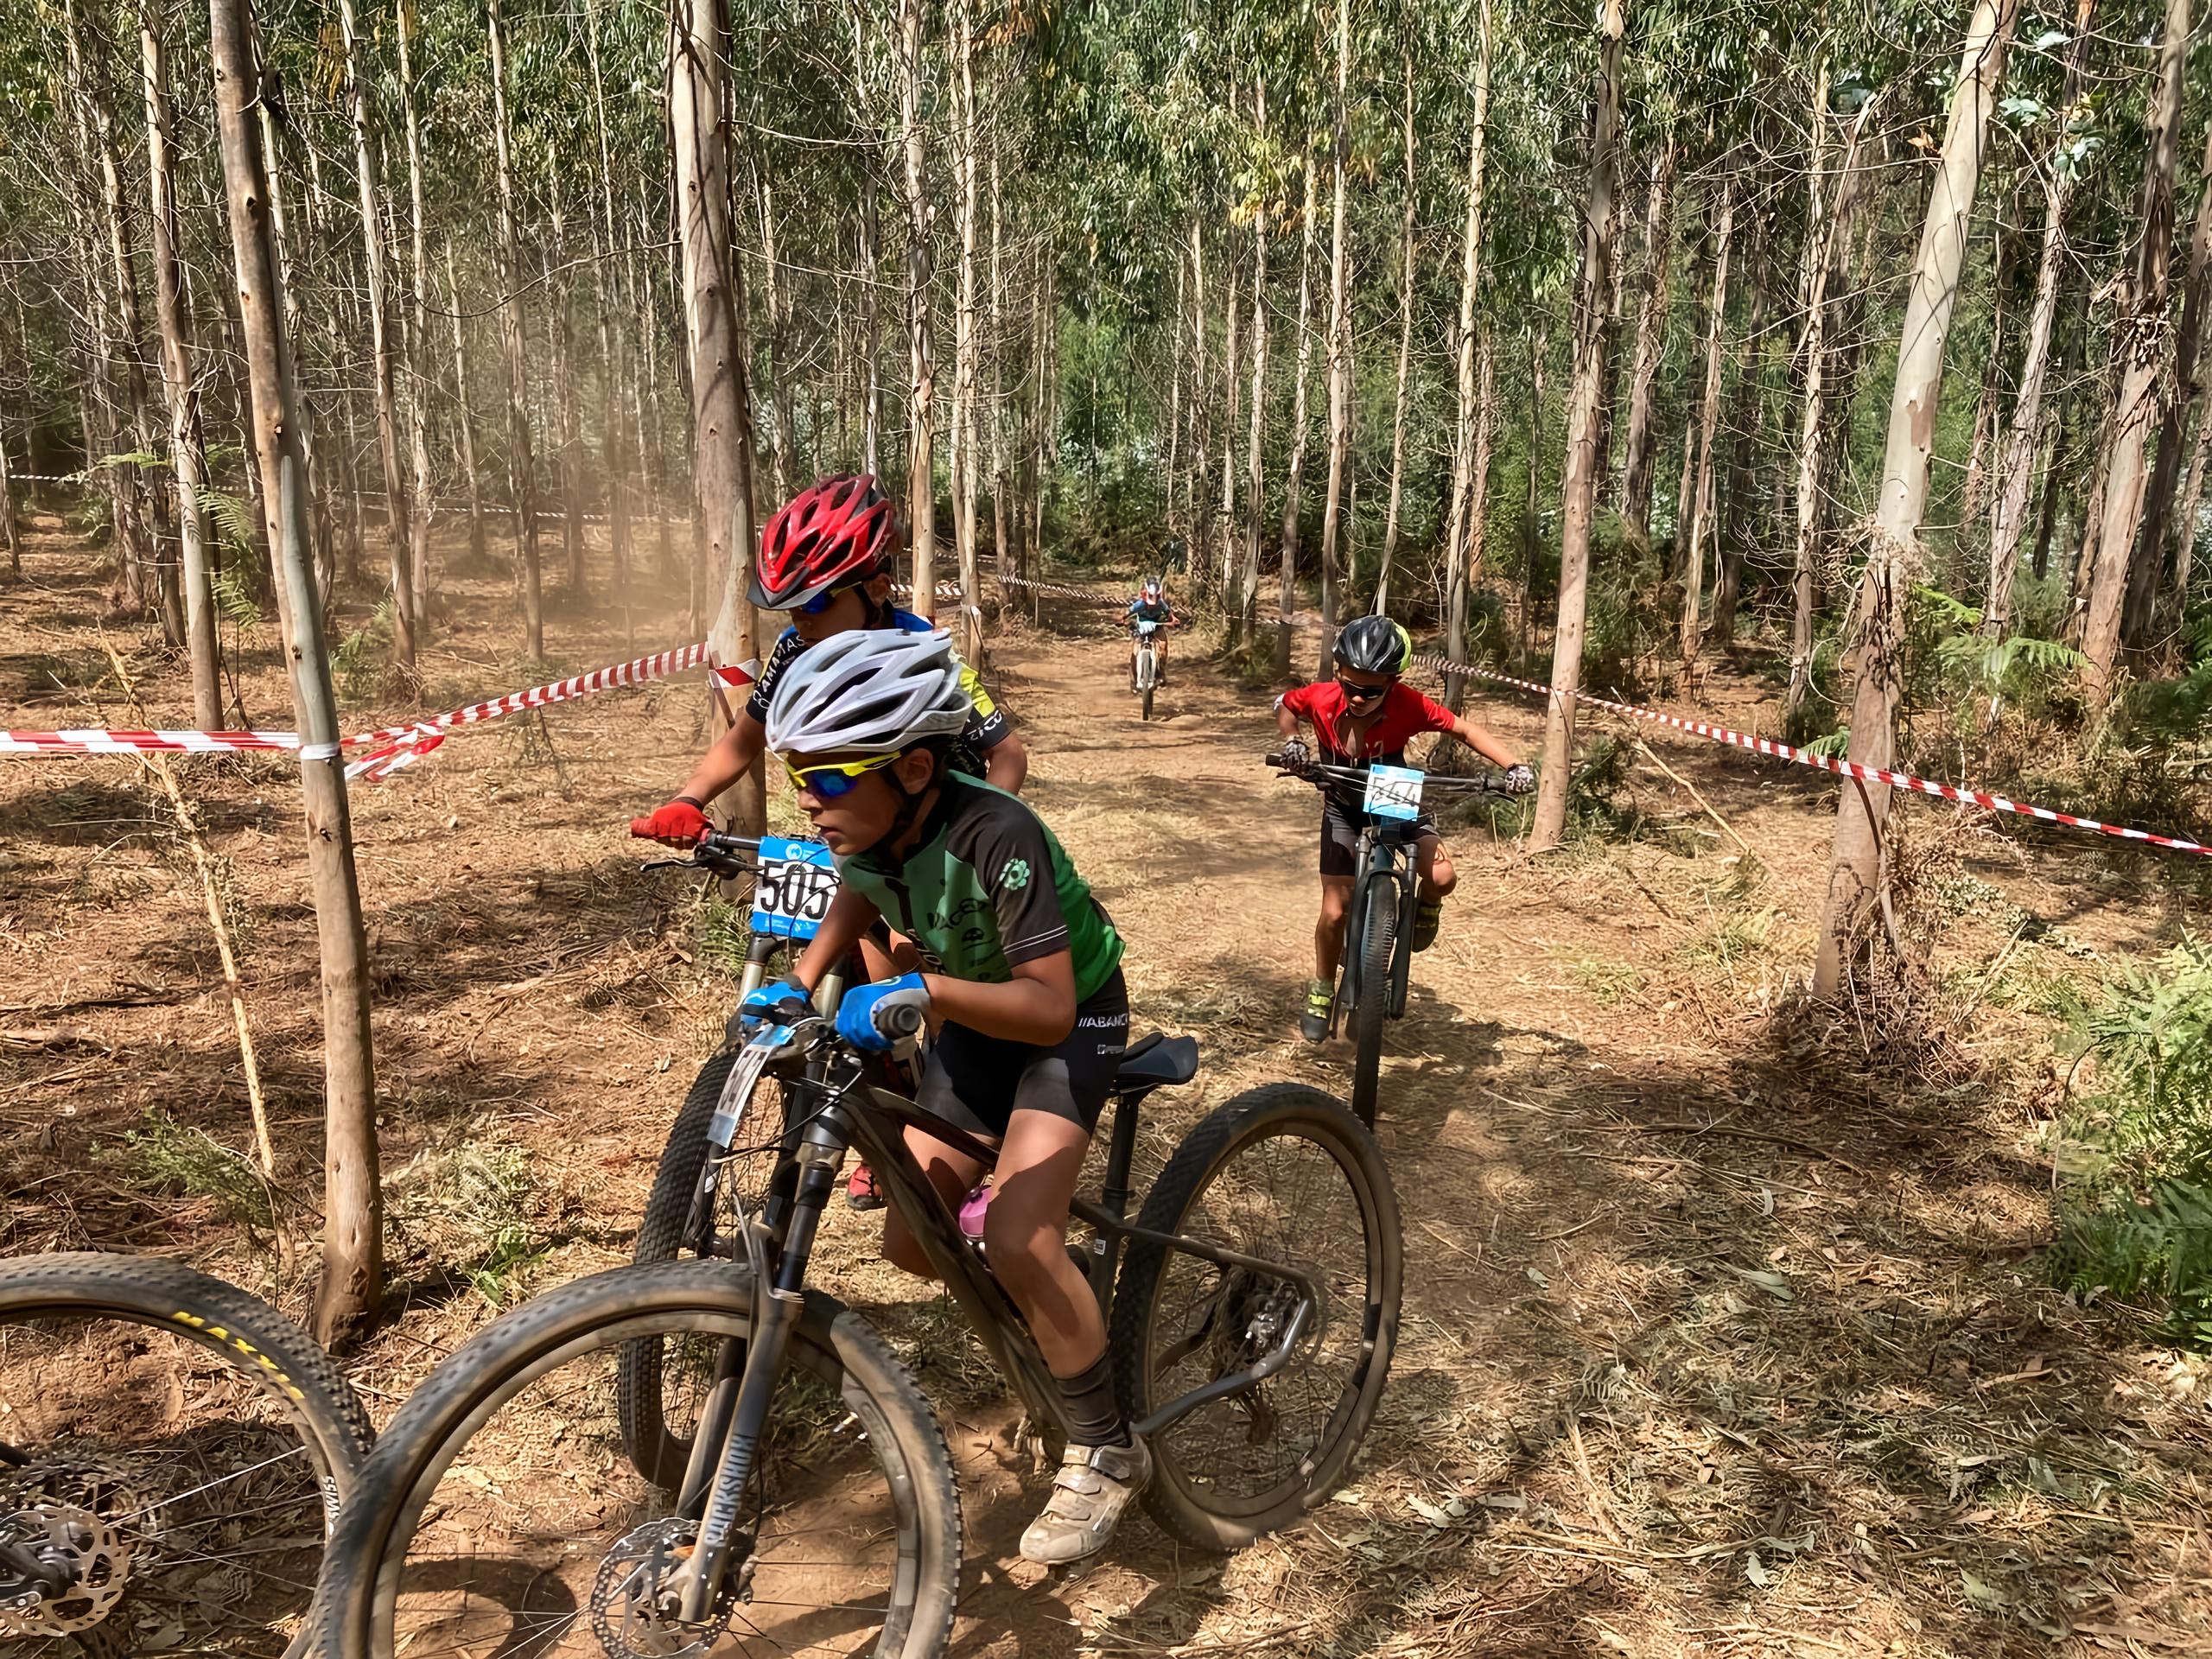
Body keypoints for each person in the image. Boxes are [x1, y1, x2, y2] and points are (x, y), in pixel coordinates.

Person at [740, 626, 1149, 1567]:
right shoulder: (873, 828)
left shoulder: (994, 831)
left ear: (916, 767)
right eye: (801, 774)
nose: (810, 797)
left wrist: (923, 994)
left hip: (1068, 1015)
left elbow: (1046, 1010)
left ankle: (1107, 1450)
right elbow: (858, 890)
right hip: (972, 1016)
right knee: (912, 1237)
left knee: (1011, 1236)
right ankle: (1055, 1285)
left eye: (832, 777)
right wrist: (800, 984)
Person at [632, 473, 1028, 1211]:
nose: (801, 620)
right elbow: (742, 742)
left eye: (818, 602)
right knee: (862, 976)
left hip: (937, 850)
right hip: (853, 840)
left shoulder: (923, 653)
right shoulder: (791, 652)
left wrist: (984, 835)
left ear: (875, 584)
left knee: (919, 978)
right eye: (789, 607)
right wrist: (688, 799)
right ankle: (890, 1119)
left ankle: (982, 1145)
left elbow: (1008, 755)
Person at [1274, 613, 1533, 1043]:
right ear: (1338, 673)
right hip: (1341, 802)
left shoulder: (1410, 705)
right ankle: (1321, 987)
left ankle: (1427, 907)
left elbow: (1464, 728)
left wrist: (1513, 766)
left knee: (1443, 876)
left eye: (1371, 690)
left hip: (1393, 794)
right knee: (1335, 911)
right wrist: (1293, 741)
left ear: (1393, 682)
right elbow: (1286, 704)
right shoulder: (1322, 698)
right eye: (1350, 685)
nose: (1357, 698)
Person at [1125, 578, 1179, 688]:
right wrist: (1122, 620)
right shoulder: (1139, 604)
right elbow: (1127, 613)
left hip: (1157, 627)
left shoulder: (1161, 604)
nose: (1152, 605)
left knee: (1163, 647)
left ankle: (1161, 672)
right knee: (1134, 653)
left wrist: (1174, 620)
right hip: (1141, 628)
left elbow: (1169, 614)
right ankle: (1134, 678)